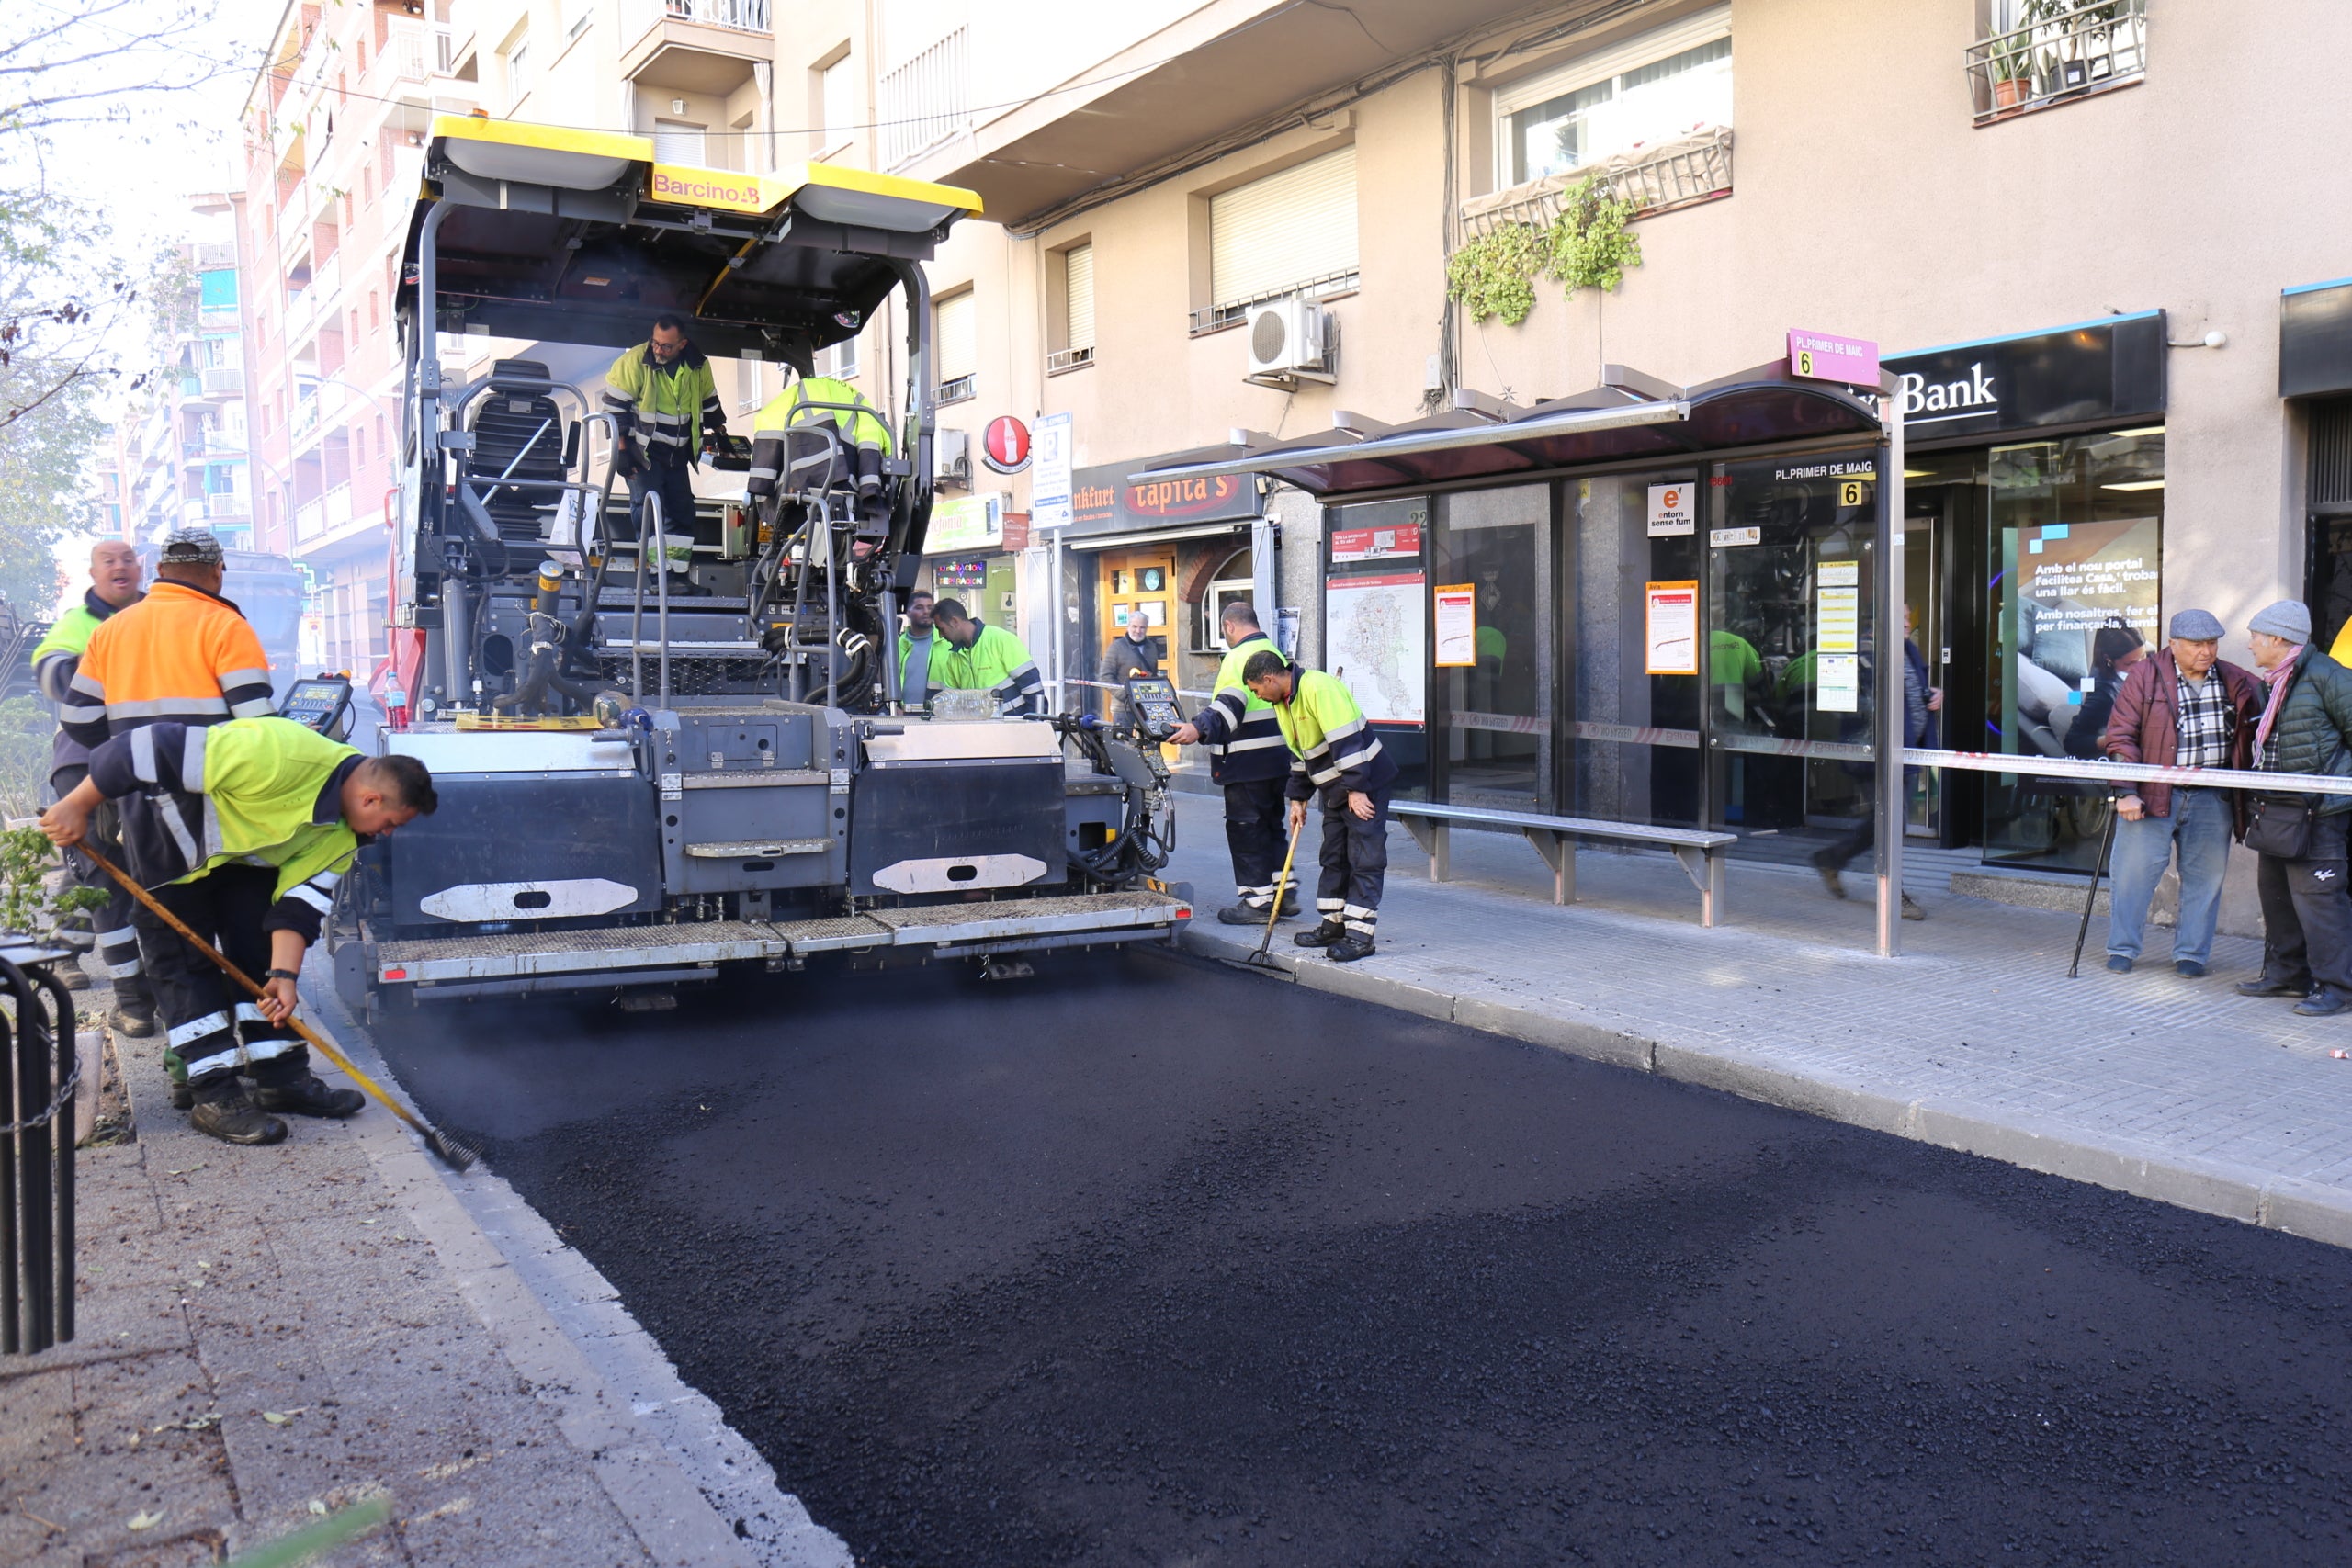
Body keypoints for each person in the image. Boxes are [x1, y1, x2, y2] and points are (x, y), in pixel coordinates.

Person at [40, 718, 437, 1145]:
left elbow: (298, 908)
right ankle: (214, 1094)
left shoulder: (345, 833)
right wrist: (77, 804)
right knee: (186, 969)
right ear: (371, 797)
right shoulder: (278, 755)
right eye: (392, 822)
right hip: (170, 845)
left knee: (259, 950)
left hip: (239, 859)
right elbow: (138, 748)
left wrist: (283, 978)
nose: (388, 834)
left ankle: (281, 1079)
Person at [61, 527, 280, 1104]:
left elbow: (80, 725)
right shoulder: (224, 625)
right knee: (248, 937)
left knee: (179, 953)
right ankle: (271, 1075)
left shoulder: (111, 632)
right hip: (226, 816)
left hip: (145, 820)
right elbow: (259, 729)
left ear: (159, 570)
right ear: (216, 571)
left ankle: (209, 1085)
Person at [30, 541, 156, 1030]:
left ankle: (64, 949)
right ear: (94, 572)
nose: (120, 567)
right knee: (101, 873)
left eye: (127, 559)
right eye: (110, 561)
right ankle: (133, 1002)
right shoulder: (77, 624)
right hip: (85, 757)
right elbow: (51, 671)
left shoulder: (159, 614)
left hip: (146, 758)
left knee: (112, 868)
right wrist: (106, 667)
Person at [2099, 609, 2261, 976]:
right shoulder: (2146, 674)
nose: (2206, 651)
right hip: (2154, 792)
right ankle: (2122, 948)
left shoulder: (2234, 678)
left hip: (2212, 795)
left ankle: (2192, 954)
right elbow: (2121, 734)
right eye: (2196, 644)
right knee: (2132, 876)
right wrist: (2125, 790)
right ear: (2173, 644)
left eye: (2212, 643)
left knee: (2206, 880)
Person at [2235, 600, 2352, 1016]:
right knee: (2278, 897)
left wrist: (2332, 788)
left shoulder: (2330, 678)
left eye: (2255, 637)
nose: (2250, 645)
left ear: (2279, 639)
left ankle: (2336, 988)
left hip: (2318, 815)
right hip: (2278, 810)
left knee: (2319, 901)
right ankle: (2287, 975)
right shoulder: (2274, 682)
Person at [1245, 652, 1396, 963]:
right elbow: (1302, 754)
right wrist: (1297, 799)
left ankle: (1359, 936)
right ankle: (1333, 925)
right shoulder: (1285, 702)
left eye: (1256, 689)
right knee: (1334, 855)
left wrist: (1356, 789)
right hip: (1337, 788)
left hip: (1364, 784)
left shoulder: (1319, 688)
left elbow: (1347, 740)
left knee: (1364, 856)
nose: (1256, 696)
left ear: (1270, 679)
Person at [1169, 603, 1297, 926]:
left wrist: (1196, 728)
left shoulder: (1238, 659)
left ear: (1229, 627)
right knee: (1271, 826)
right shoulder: (1274, 652)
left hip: (1245, 762)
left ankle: (1257, 901)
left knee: (1246, 830)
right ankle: (1284, 892)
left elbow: (1228, 707)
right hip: (1278, 760)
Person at [1810, 604, 1940, 920]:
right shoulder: (1866, 653)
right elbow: (1865, 702)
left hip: (1904, 753)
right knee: (1893, 825)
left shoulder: (1907, 650)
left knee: (1887, 823)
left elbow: (1911, 692)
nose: (1908, 623)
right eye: (1902, 617)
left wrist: (1934, 693)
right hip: (1877, 756)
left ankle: (1831, 858)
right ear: (1882, 619)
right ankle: (1893, 896)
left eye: (1910, 618)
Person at [603, 314, 727, 547]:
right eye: (655, 342)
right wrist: (622, 453)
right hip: (643, 454)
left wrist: (721, 432)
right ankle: (653, 577)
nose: (658, 350)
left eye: (666, 346)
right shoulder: (632, 362)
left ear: (682, 344)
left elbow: (709, 400)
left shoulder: (698, 364)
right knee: (648, 514)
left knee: (683, 514)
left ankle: (677, 576)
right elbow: (614, 410)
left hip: (677, 454)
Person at [751, 367, 893, 513]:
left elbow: (767, 421)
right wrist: (870, 490)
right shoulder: (859, 399)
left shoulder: (797, 390)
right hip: (849, 483)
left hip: (801, 483)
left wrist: (761, 484)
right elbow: (877, 438)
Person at [931, 598, 1046, 716]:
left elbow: (1033, 689)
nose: (940, 635)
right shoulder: (953, 657)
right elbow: (951, 702)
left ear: (955, 621)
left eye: (941, 629)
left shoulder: (1001, 640)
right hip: (979, 731)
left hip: (1013, 728)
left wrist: (1033, 726)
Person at [2065, 624, 2147, 760]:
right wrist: (2112, 739)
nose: (2141, 666)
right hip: (2089, 698)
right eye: (2130, 663)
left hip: (2085, 688)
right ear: (2108, 659)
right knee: (2075, 697)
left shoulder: (2108, 661)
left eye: (2143, 656)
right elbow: (2072, 742)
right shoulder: (2104, 696)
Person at [1097, 609, 1159, 725]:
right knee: (1123, 742)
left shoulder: (1152, 648)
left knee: (1152, 740)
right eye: (1134, 626)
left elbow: (1154, 674)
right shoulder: (1116, 647)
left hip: (1147, 706)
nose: (1138, 631)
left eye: (1142, 627)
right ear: (1128, 627)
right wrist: (1126, 696)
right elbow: (1105, 677)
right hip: (1123, 707)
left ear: (1147, 629)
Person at [896, 590, 939, 707]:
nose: (926, 612)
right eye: (919, 607)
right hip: (904, 714)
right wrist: (895, 708)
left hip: (940, 715)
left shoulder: (946, 642)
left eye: (930, 608)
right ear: (908, 613)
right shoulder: (897, 644)